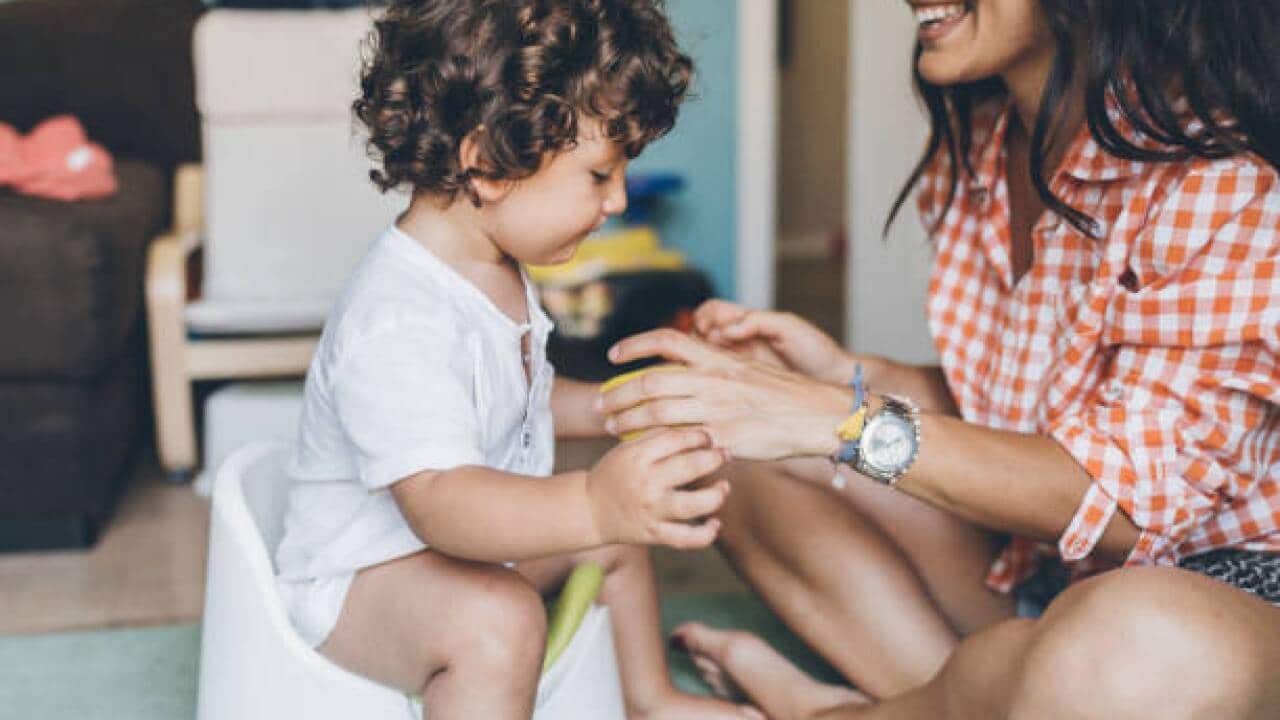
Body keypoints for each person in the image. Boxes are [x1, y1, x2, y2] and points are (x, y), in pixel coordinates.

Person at [598, 0, 1280, 717]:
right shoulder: (987, 139)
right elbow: (1039, 408)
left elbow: (1128, 505)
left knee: (1132, 648)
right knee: (715, 451)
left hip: (1216, 602)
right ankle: (956, 697)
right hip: (1056, 574)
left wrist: (838, 417)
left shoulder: (1220, 176)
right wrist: (847, 377)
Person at [271, 1, 763, 717]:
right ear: (489, 166)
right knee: (498, 618)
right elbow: (443, 501)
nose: (618, 199)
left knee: (613, 544)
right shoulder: (399, 319)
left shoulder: (492, 266)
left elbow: (521, 397)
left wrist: (629, 405)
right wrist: (594, 502)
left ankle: (650, 698)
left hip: (455, 552)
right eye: (599, 175)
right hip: (358, 582)